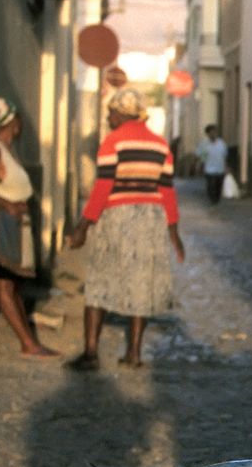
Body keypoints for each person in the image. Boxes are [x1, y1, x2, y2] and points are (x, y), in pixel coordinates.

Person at [66, 89, 185, 371]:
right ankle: (134, 354)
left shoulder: (113, 141)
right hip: (151, 220)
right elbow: (167, 189)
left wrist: (84, 225)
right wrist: (174, 231)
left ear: (121, 113)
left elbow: (103, 187)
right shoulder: (160, 146)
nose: (108, 118)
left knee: (98, 283)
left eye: (111, 113)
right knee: (142, 282)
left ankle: (91, 354)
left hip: (117, 217)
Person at [0, 98, 59, 358]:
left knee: (12, 285)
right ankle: (29, 345)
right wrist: (5, 204)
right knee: (4, 286)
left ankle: (29, 341)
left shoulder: (6, 149)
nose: (22, 124)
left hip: (9, 224)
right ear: (12, 122)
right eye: (19, 119)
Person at [198, 124, 229, 203]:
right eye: (211, 132)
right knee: (211, 185)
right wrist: (200, 164)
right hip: (209, 169)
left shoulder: (221, 144)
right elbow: (200, 155)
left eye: (214, 132)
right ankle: (212, 199)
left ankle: (217, 198)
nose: (213, 134)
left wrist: (226, 167)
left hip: (220, 168)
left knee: (218, 185)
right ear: (207, 134)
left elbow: (225, 155)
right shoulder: (204, 144)